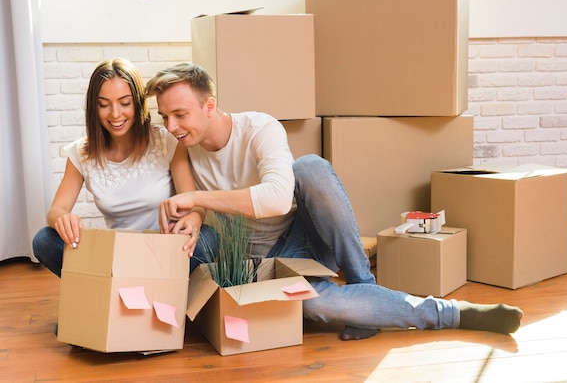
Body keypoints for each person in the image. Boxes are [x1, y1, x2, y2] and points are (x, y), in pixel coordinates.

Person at [146, 63, 524, 341]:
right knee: (312, 306)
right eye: (165, 116)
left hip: (299, 241)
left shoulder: (259, 128)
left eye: (181, 114)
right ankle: (407, 308)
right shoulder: (182, 147)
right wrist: (193, 217)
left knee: (310, 168)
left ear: (209, 106)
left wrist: (196, 197)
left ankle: (385, 289)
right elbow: (192, 207)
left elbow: (278, 198)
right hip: (244, 259)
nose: (172, 126)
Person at [33, 58, 203, 279]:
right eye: (104, 104)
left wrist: (193, 220)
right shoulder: (81, 153)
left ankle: (141, 289)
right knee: (44, 240)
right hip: (114, 260)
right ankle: (117, 288)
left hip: (162, 251)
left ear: (138, 103)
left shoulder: (167, 142)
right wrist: (63, 219)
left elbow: (194, 204)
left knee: (207, 239)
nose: (115, 114)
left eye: (125, 103)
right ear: (94, 106)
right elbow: (56, 210)